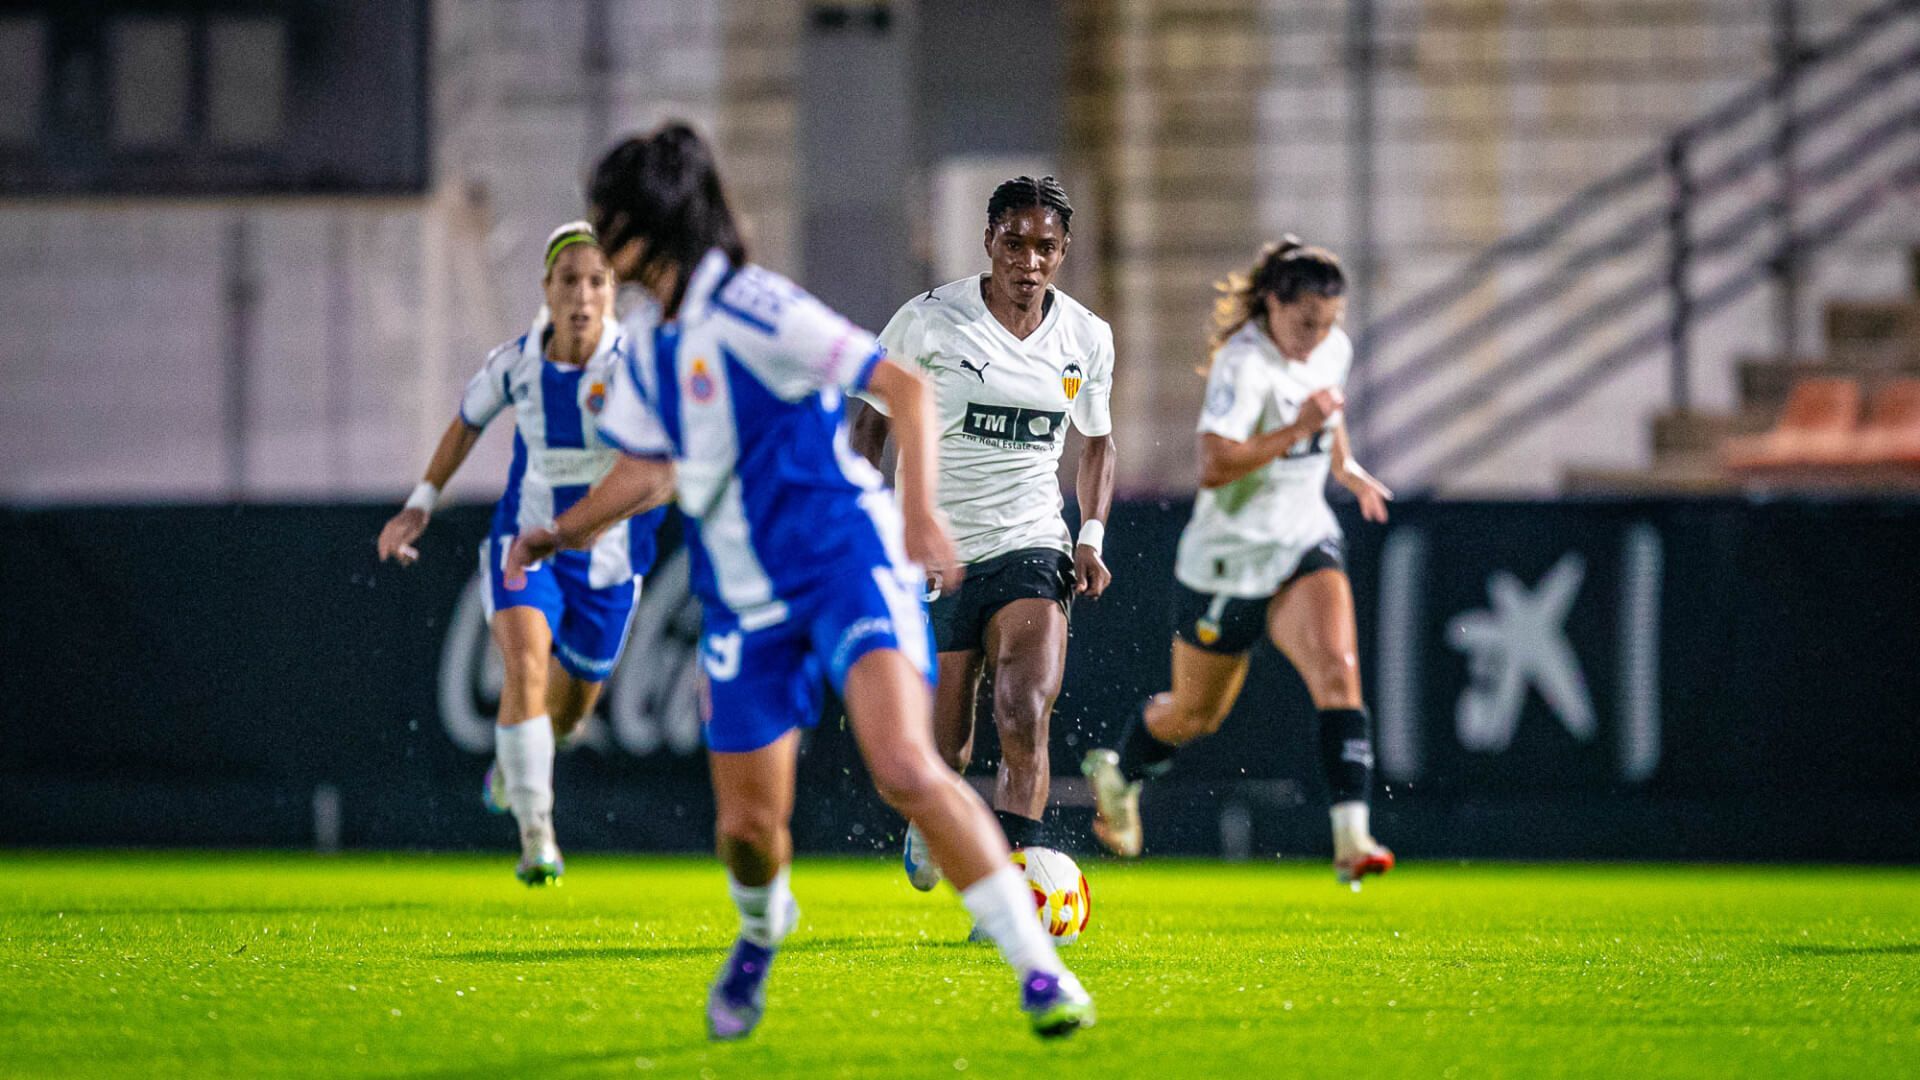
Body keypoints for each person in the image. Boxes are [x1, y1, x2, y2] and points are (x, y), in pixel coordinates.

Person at [504, 123, 1094, 1040]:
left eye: (605, 222)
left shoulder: (755, 305)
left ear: (640, 227)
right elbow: (648, 471)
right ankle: (759, 929)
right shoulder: (654, 352)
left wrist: (919, 511)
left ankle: (1039, 972)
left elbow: (903, 388)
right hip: (745, 595)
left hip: (848, 563)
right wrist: (557, 533)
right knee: (748, 831)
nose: (598, 242)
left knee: (907, 764)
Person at [1080, 236, 1398, 888]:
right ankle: (1121, 769)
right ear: (1272, 307)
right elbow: (1216, 465)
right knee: (1195, 716)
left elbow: (1327, 409)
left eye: (1328, 323)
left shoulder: (1330, 348)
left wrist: (1347, 466)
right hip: (1227, 563)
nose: (1318, 337)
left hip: (1302, 539)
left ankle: (1351, 838)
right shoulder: (1242, 365)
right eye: (1305, 322)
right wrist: (1296, 429)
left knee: (1339, 672)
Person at [376, 222, 666, 886]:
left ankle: (514, 769)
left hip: (610, 563)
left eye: (597, 282)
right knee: (525, 669)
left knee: (566, 715)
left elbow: (664, 470)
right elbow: (466, 422)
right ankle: (538, 838)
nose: (583, 296)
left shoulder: (636, 371)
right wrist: (421, 501)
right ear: (547, 289)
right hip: (524, 544)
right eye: (570, 281)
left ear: (613, 292)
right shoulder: (516, 364)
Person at [851, 175, 1116, 891]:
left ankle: (1008, 891)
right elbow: (868, 425)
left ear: (1063, 252)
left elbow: (1096, 442)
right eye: (1015, 244)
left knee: (1023, 709)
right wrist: (865, 523)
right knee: (948, 750)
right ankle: (930, 817)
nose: (1029, 262)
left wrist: (1088, 534)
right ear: (989, 241)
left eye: (1046, 248)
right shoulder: (929, 321)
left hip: (1033, 544)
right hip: (937, 553)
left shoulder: (1087, 338)